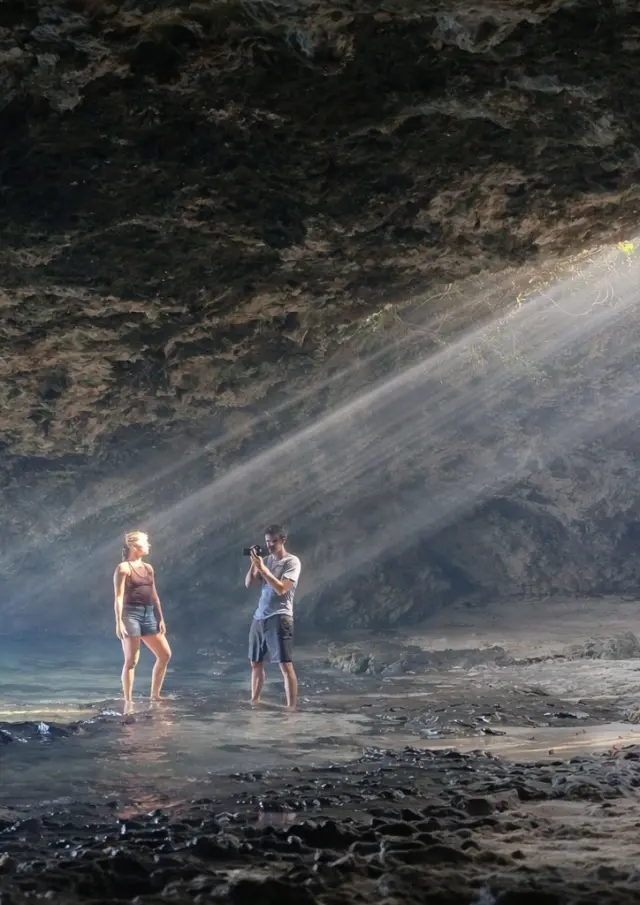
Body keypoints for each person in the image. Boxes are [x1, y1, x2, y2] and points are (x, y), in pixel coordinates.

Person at [245, 524, 301, 710]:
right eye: (267, 542)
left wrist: (265, 570)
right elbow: (249, 583)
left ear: (283, 540)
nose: (269, 546)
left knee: (285, 664)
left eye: (273, 542)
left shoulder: (292, 562)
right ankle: (255, 699)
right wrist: (255, 564)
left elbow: (281, 589)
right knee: (255, 662)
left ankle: (291, 707)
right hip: (260, 616)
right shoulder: (265, 560)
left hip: (280, 616)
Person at [113, 530, 172, 707]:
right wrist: (118, 621)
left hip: (148, 613)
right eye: (145, 542)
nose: (148, 545)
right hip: (130, 614)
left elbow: (154, 595)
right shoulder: (123, 568)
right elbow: (118, 597)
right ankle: (128, 701)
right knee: (132, 660)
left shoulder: (148, 568)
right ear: (133, 546)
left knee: (165, 654)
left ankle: (155, 695)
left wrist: (160, 617)